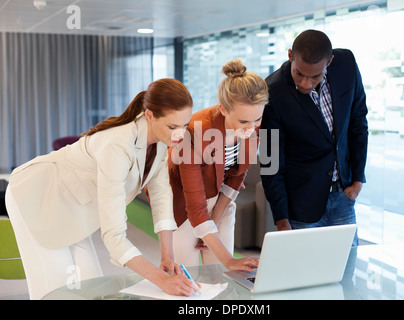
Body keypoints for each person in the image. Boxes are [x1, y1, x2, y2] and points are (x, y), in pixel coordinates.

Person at [5, 78, 200, 299]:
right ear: (149, 115)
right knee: (57, 290)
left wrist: (167, 256)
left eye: (185, 125)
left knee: (93, 286)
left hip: (76, 207)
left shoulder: (162, 138)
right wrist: (162, 281)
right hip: (37, 197)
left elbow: (161, 194)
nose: (180, 134)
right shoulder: (117, 145)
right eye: (173, 126)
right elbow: (114, 237)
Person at [260, 29, 368, 246]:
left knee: (346, 274)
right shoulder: (272, 92)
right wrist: (281, 220)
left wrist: (357, 180)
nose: (306, 84)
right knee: (303, 278)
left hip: (343, 196)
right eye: (299, 73)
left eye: (315, 76)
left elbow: (358, 122)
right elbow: (270, 163)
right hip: (300, 208)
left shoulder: (346, 64)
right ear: (290, 55)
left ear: (330, 62)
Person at [167, 59, 268, 270]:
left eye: (257, 119)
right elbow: (194, 207)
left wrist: (214, 219)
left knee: (219, 276)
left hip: (217, 197)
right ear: (223, 109)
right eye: (243, 122)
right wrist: (229, 260)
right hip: (181, 204)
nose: (251, 129)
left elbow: (236, 176)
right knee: (189, 277)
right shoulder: (194, 132)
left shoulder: (252, 124)